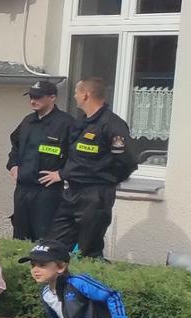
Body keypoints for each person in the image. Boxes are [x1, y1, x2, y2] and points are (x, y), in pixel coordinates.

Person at [48, 77, 138, 259]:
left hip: (95, 195)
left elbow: (127, 161)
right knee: (55, 247)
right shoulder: (82, 122)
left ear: (85, 94)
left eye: (76, 92)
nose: (74, 96)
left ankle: (87, 285)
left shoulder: (112, 124)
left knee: (88, 249)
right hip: (72, 192)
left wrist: (106, 179)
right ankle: (59, 285)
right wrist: (65, 174)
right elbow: (78, 160)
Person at [6, 80, 74, 241]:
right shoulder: (28, 121)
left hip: (47, 192)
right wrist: (13, 165)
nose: (32, 101)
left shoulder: (66, 123)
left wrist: (62, 174)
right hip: (23, 189)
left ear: (52, 98)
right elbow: (15, 145)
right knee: (20, 237)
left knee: (44, 238)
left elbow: (78, 156)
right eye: (31, 97)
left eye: (38, 97)